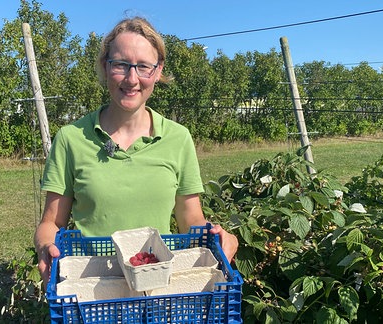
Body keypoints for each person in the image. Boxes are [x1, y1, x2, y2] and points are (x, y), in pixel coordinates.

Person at [34, 16, 238, 288]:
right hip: (94, 287)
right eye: (121, 65)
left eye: (143, 67)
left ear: (157, 71)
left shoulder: (178, 139)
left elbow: (191, 220)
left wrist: (219, 237)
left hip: (159, 288)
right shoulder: (71, 139)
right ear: (105, 68)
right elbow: (52, 222)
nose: (132, 79)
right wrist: (46, 246)